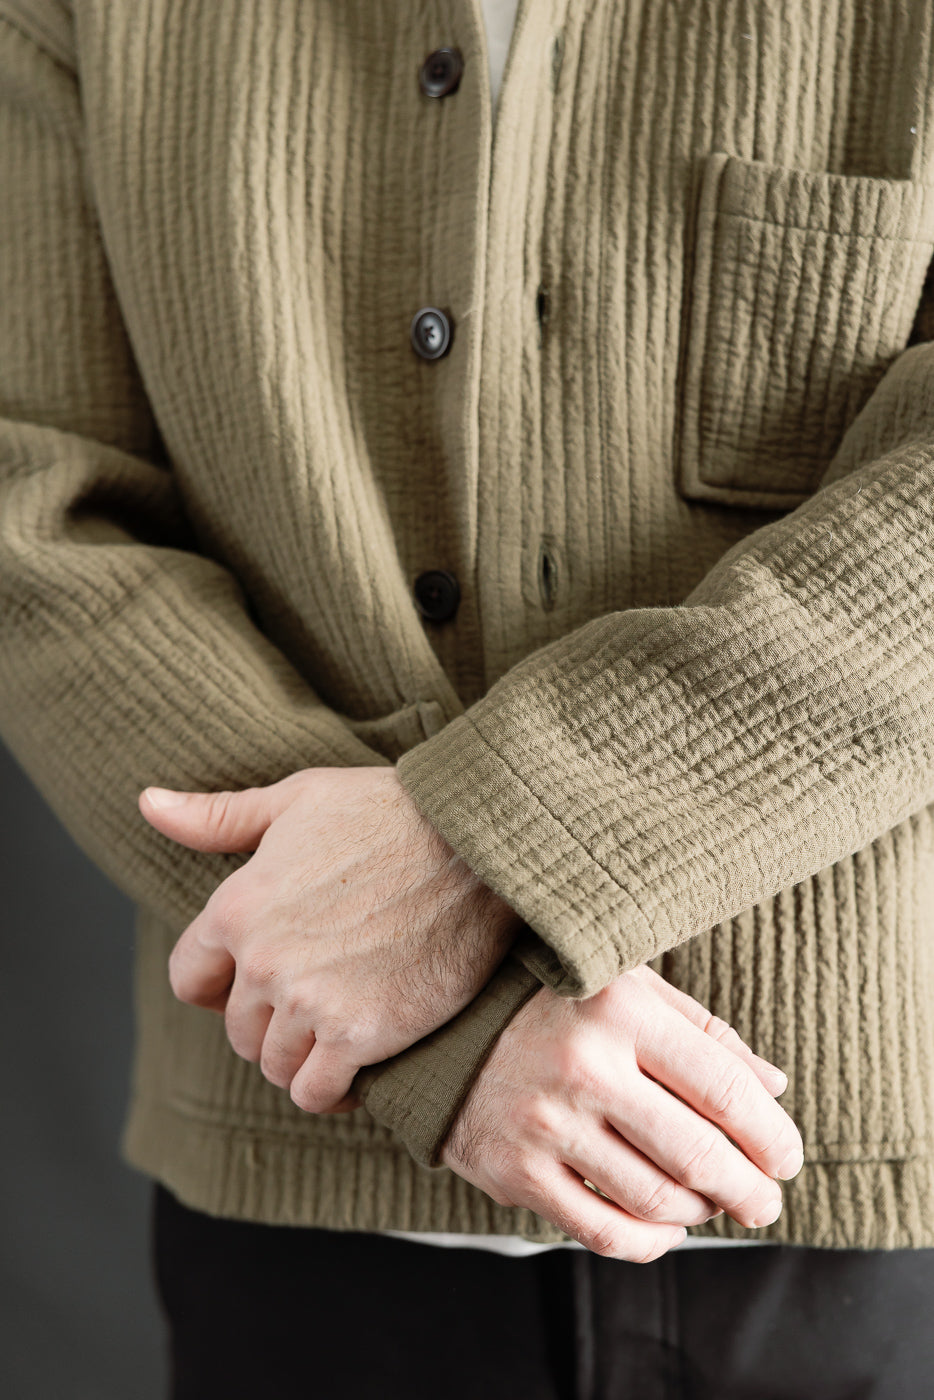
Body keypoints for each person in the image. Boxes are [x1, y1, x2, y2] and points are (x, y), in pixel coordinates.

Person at [1, 1, 933, 1395]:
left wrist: (471, 840)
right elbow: (35, 511)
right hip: (300, 1195)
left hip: (837, 1184)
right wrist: (444, 1033)